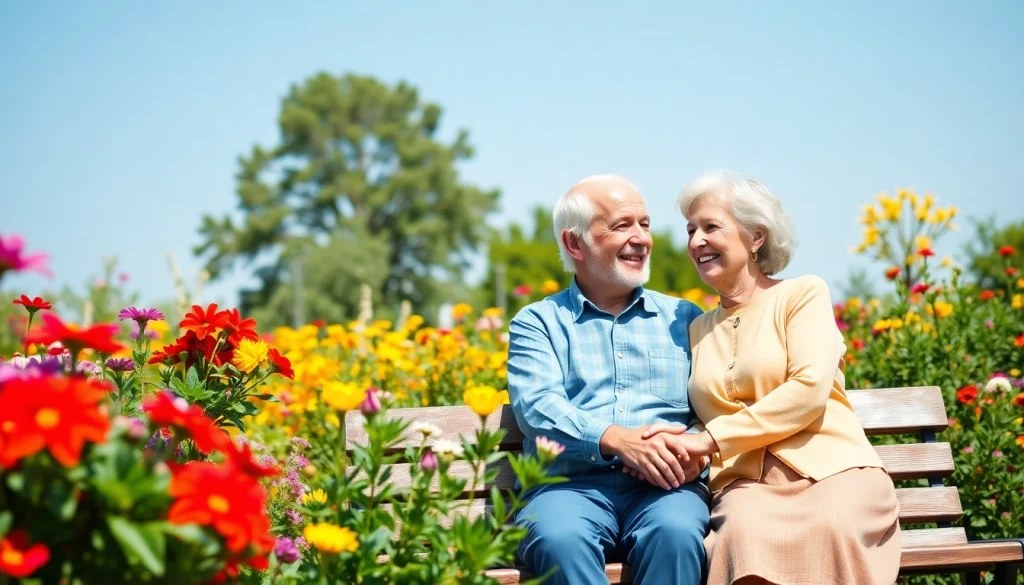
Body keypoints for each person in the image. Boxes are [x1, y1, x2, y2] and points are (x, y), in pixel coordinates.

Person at [631, 169, 902, 585]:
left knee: (831, 527)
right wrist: (685, 456)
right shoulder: (696, 328)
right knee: (741, 535)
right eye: (690, 230)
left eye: (710, 227)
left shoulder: (802, 295)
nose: (696, 241)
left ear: (756, 236)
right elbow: (702, 413)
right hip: (747, 487)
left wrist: (707, 442)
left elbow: (808, 391)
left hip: (833, 472)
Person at [505, 174, 711, 585]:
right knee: (560, 539)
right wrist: (616, 439)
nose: (641, 238)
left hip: (665, 490)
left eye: (645, 224)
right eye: (622, 226)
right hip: (567, 489)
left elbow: (718, 401)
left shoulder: (685, 318)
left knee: (675, 533)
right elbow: (538, 407)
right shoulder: (537, 323)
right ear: (574, 243)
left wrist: (698, 455)